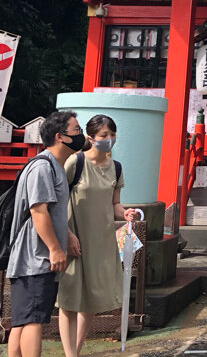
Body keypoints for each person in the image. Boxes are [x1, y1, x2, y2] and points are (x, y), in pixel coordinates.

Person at [57, 114, 137, 357]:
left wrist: (125, 213)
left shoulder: (117, 167)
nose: (109, 139)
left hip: (101, 241)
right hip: (75, 238)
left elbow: (114, 204)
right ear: (91, 137)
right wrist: (66, 235)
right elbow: (58, 200)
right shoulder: (75, 162)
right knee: (69, 300)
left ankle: (76, 351)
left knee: (92, 299)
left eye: (112, 135)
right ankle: (70, 354)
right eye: (104, 135)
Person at [7, 110, 84, 357]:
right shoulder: (43, 166)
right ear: (60, 136)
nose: (81, 135)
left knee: (22, 321)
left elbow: (51, 212)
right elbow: (38, 211)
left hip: (30, 258)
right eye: (77, 130)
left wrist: (67, 235)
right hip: (35, 257)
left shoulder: (53, 166)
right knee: (33, 321)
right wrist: (55, 249)